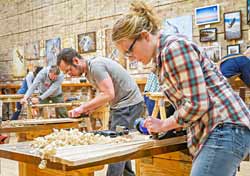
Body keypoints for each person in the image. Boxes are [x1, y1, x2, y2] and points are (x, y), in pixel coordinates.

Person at [111, 1, 250, 176]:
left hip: (223, 127)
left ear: (145, 36)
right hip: (219, 129)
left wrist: (164, 124)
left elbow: (197, 104)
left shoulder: (173, 49)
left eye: (129, 50)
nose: (131, 58)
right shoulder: (163, 56)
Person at [57, 48, 144, 176]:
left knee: (116, 147)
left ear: (76, 60)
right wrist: (88, 109)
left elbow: (108, 94)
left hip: (128, 105)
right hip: (121, 104)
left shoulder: (96, 67)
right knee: (121, 143)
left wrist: (82, 107)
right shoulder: (89, 71)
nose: (69, 74)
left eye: (69, 70)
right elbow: (104, 95)